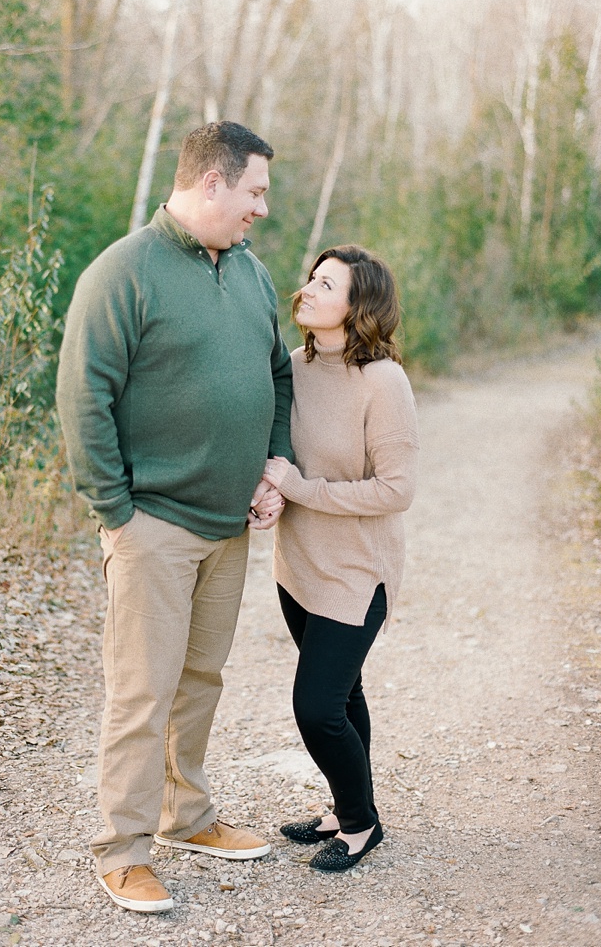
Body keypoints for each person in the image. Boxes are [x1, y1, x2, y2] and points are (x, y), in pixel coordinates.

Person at [56, 121, 294, 913]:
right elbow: (81, 395)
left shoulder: (252, 274)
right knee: (141, 690)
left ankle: (182, 814)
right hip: (152, 521)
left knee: (198, 680)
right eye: (255, 190)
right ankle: (120, 850)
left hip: (228, 523)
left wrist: (272, 463)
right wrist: (116, 512)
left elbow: (275, 378)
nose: (262, 207)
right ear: (212, 184)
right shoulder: (123, 272)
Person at [262, 244, 419, 873]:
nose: (309, 290)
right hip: (297, 565)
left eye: (328, 285)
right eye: (311, 279)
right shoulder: (294, 366)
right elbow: (277, 448)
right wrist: (270, 489)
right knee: (344, 693)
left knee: (317, 708)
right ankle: (347, 805)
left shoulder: (383, 381)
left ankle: (361, 825)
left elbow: (397, 489)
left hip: (357, 573)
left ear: (359, 308)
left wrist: (299, 488)